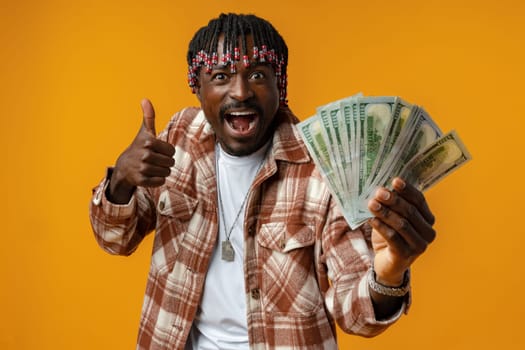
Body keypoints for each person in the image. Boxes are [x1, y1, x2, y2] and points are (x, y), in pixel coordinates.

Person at [89, 13, 436, 350]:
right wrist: (121, 179)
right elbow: (115, 239)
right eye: (221, 75)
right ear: (198, 88)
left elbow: (354, 313)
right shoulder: (179, 137)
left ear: (278, 84)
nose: (240, 92)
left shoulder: (323, 168)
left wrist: (389, 274)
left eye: (257, 74)